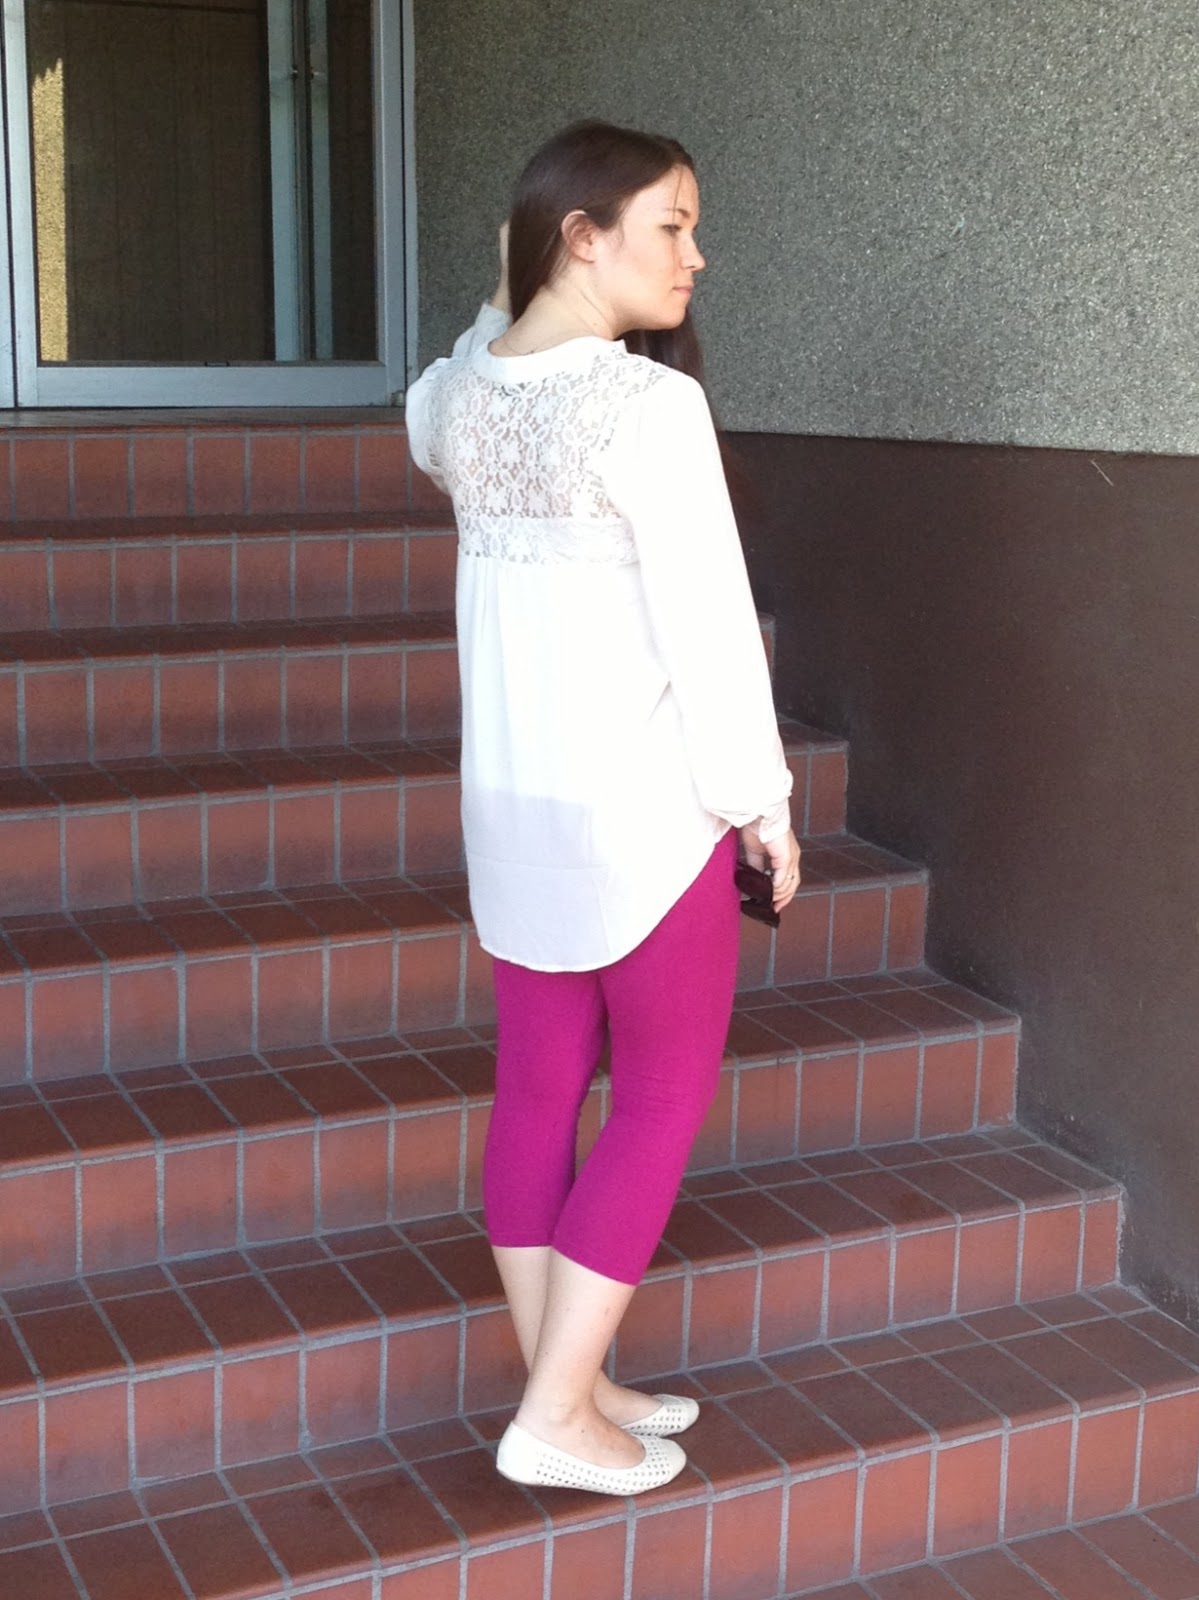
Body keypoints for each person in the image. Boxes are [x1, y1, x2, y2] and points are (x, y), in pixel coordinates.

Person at [405, 120, 801, 1497]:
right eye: (673, 224)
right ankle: (555, 1416)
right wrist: (762, 806)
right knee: (661, 1101)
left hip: (514, 820)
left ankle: (563, 1383)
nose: (697, 254)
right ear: (583, 236)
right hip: (643, 821)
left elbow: (449, 374)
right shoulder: (647, 408)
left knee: (537, 1092)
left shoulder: (457, 403)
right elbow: (712, 631)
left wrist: (505, 286)